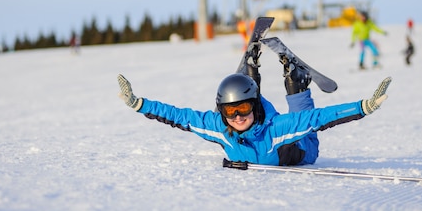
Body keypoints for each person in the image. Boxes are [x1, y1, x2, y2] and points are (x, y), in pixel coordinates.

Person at [117, 66, 392, 166]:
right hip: (264, 122)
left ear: (253, 107)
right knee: (249, 95)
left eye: (243, 109)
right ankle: (252, 74)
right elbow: (177, 116)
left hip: (299, 151)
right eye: (229, 111)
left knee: (304, 124)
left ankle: (297, 86)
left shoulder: (277, 129)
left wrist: (363, 107)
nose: (237, 117)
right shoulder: (218, 128)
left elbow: (319, 119)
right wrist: (138, 103)